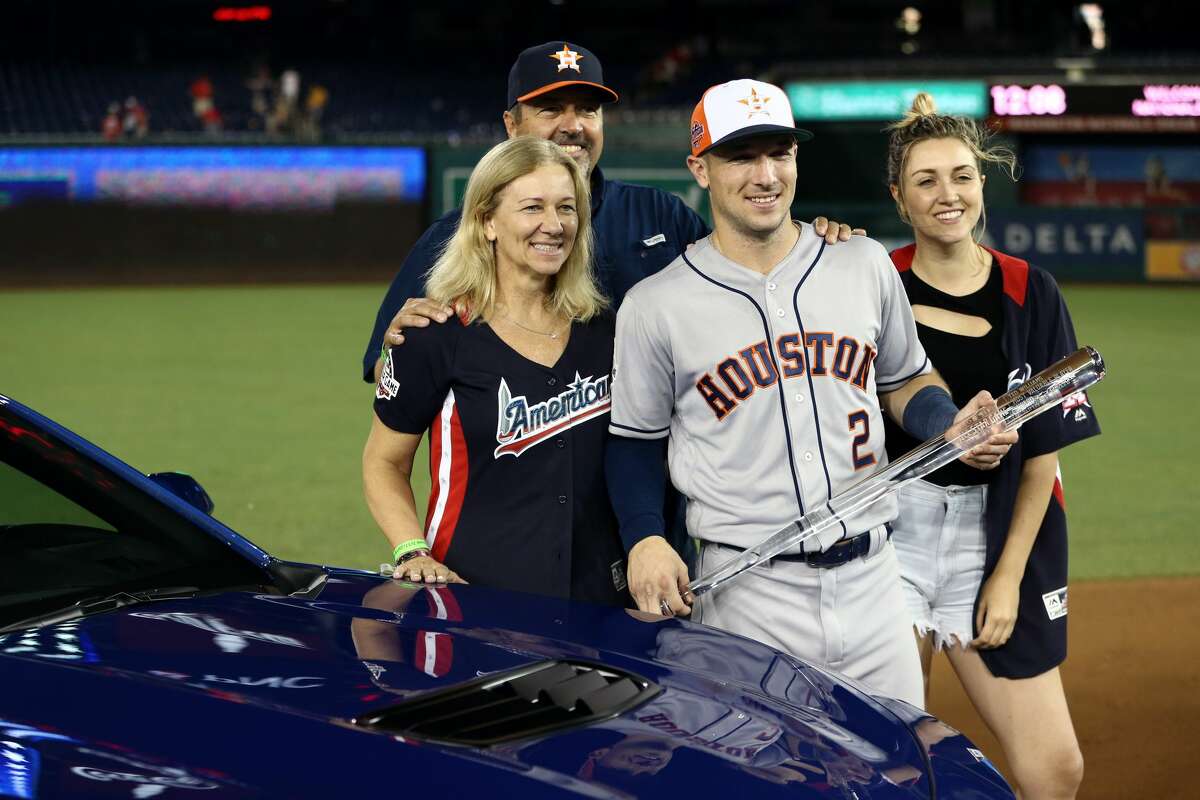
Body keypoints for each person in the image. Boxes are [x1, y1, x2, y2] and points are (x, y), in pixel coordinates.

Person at [604, 79, 1016, 708]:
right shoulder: (656, 305)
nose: (766, 175)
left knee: (898, 771)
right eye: (742, 156)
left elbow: (905, 379)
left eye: (780, 154)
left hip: (877, 582)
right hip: (747, 590)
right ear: (700, 168)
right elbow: (635, 444)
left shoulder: (862, 262)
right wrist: (645, 538)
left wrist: (948, 421)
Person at [361, 40, 857, 385]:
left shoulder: (660, 214)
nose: (573, 126)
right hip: (523, 486)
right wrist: (398, 345)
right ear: (512, 125)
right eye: (551, 109)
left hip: (659, 493)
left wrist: (810, 240)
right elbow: (390, 373)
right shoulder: (461, 234)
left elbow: (745, 280)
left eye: (588, 110)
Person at [883, 93, 1100, 797]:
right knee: (888, 752)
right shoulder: (873, 282)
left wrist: (1006, 575)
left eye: (962, 176)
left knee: (1054, 766)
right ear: (900, 196)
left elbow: (1044, 454)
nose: (948, 194)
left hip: (994, 531)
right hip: (892, 536)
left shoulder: (1031, 290)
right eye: (926, 180)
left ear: (982, 184)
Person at [362, 135, 629, 608]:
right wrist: (411, 551)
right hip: (472, 598)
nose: (553, 225)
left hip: (597, 600)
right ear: (487, 221)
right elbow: (384, 462)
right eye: (532, 208)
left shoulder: (606, 330)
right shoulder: (434, 332)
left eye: (566, 208)